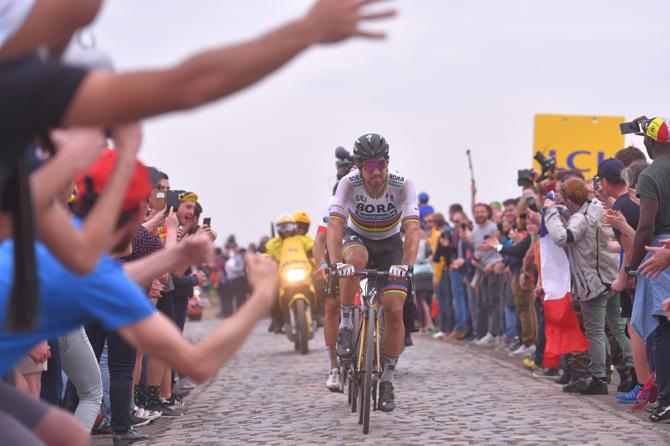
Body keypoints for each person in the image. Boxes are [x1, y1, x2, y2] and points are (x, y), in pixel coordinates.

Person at [0, 146, 278, 445]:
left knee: (67, 432)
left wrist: (175, 255)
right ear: (134, 214)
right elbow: (198, 363)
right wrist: (262, 294)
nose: (149, 216)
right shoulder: (93, 272)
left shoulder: (62, 237)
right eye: (146, 208)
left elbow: (114, 279)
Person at [327, 133, 420, 412]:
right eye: (369, 166)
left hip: (391, 244)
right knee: (353, 260)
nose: (376, 172)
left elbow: (413, 229)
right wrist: (334, 262)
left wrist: (407, 264)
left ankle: (388, 379)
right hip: (359, 239)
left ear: (387, 162)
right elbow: (334, 225)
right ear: (358, 166)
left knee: (393, 309)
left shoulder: (402, 185)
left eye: (380, 164)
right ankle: (345, 324)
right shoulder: (348, 184)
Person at [544, 177, 633, 395]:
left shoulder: (581, 217)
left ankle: (599, 377)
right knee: (619, 328)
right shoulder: (596, 208)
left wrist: (550, 214)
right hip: (611, 277)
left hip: (592, 282)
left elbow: (565, 236)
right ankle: (633, 372)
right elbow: (580, 222)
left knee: (595, 332)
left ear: (569, 198)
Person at [628, 117, 670, 421]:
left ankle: (666, 397)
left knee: (662, 327)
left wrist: (632, 270)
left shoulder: (651, 174)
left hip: (659, 252)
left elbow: (645, 226)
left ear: (650, 143)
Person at [472, 202, 503, 347]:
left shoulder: (493, 227)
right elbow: (478, 250)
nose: (479, 214)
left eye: (482, 212)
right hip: (482, 268)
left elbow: (499, 247)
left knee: (494, 302)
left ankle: (495, 334)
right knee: (486, 302)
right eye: (477, 212)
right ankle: (491, 333)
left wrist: (496, 262)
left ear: (487, 212)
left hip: (494, 267)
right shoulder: (475, 231)